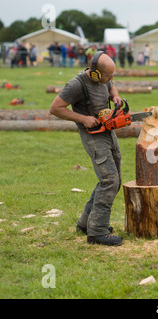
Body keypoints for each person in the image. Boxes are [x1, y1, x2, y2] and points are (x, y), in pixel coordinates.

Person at [50, 51, 124, 246]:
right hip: (92, 136)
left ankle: (85, 223)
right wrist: (83, 119)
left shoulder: (105, 78)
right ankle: (97, 232)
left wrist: (115, 96)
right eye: (108, 75)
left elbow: (111, 86)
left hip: (107, 131)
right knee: (109, 180)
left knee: (114, 179)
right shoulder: (77, 84)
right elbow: (55, 108)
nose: (111, 78)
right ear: (96, 74)